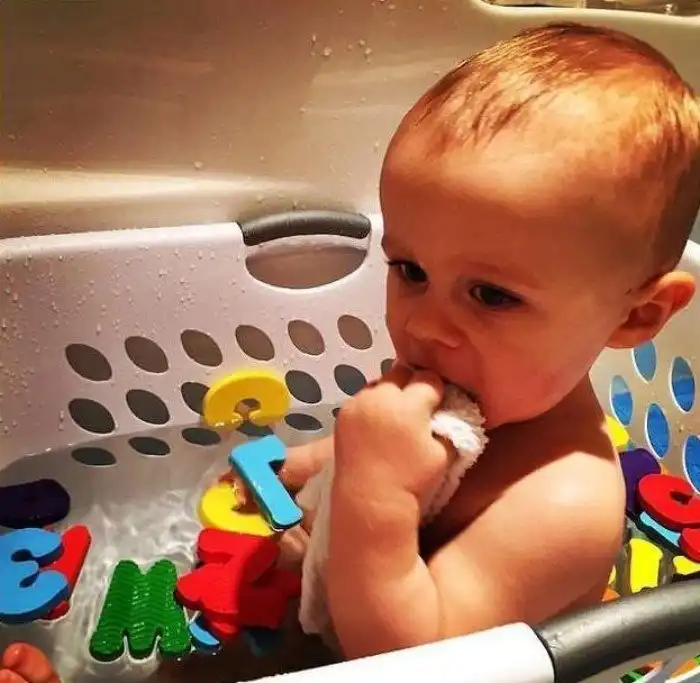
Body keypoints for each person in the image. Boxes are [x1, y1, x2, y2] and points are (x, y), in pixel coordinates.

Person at [232, 20, 700, 662]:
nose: (424, 324)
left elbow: (410, 663)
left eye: (492, 295)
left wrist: (378, 493)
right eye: (411, 270)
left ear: (637, 317)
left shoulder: (563, 503)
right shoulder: (485, 375)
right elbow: (388, 456)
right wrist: (312, 463)